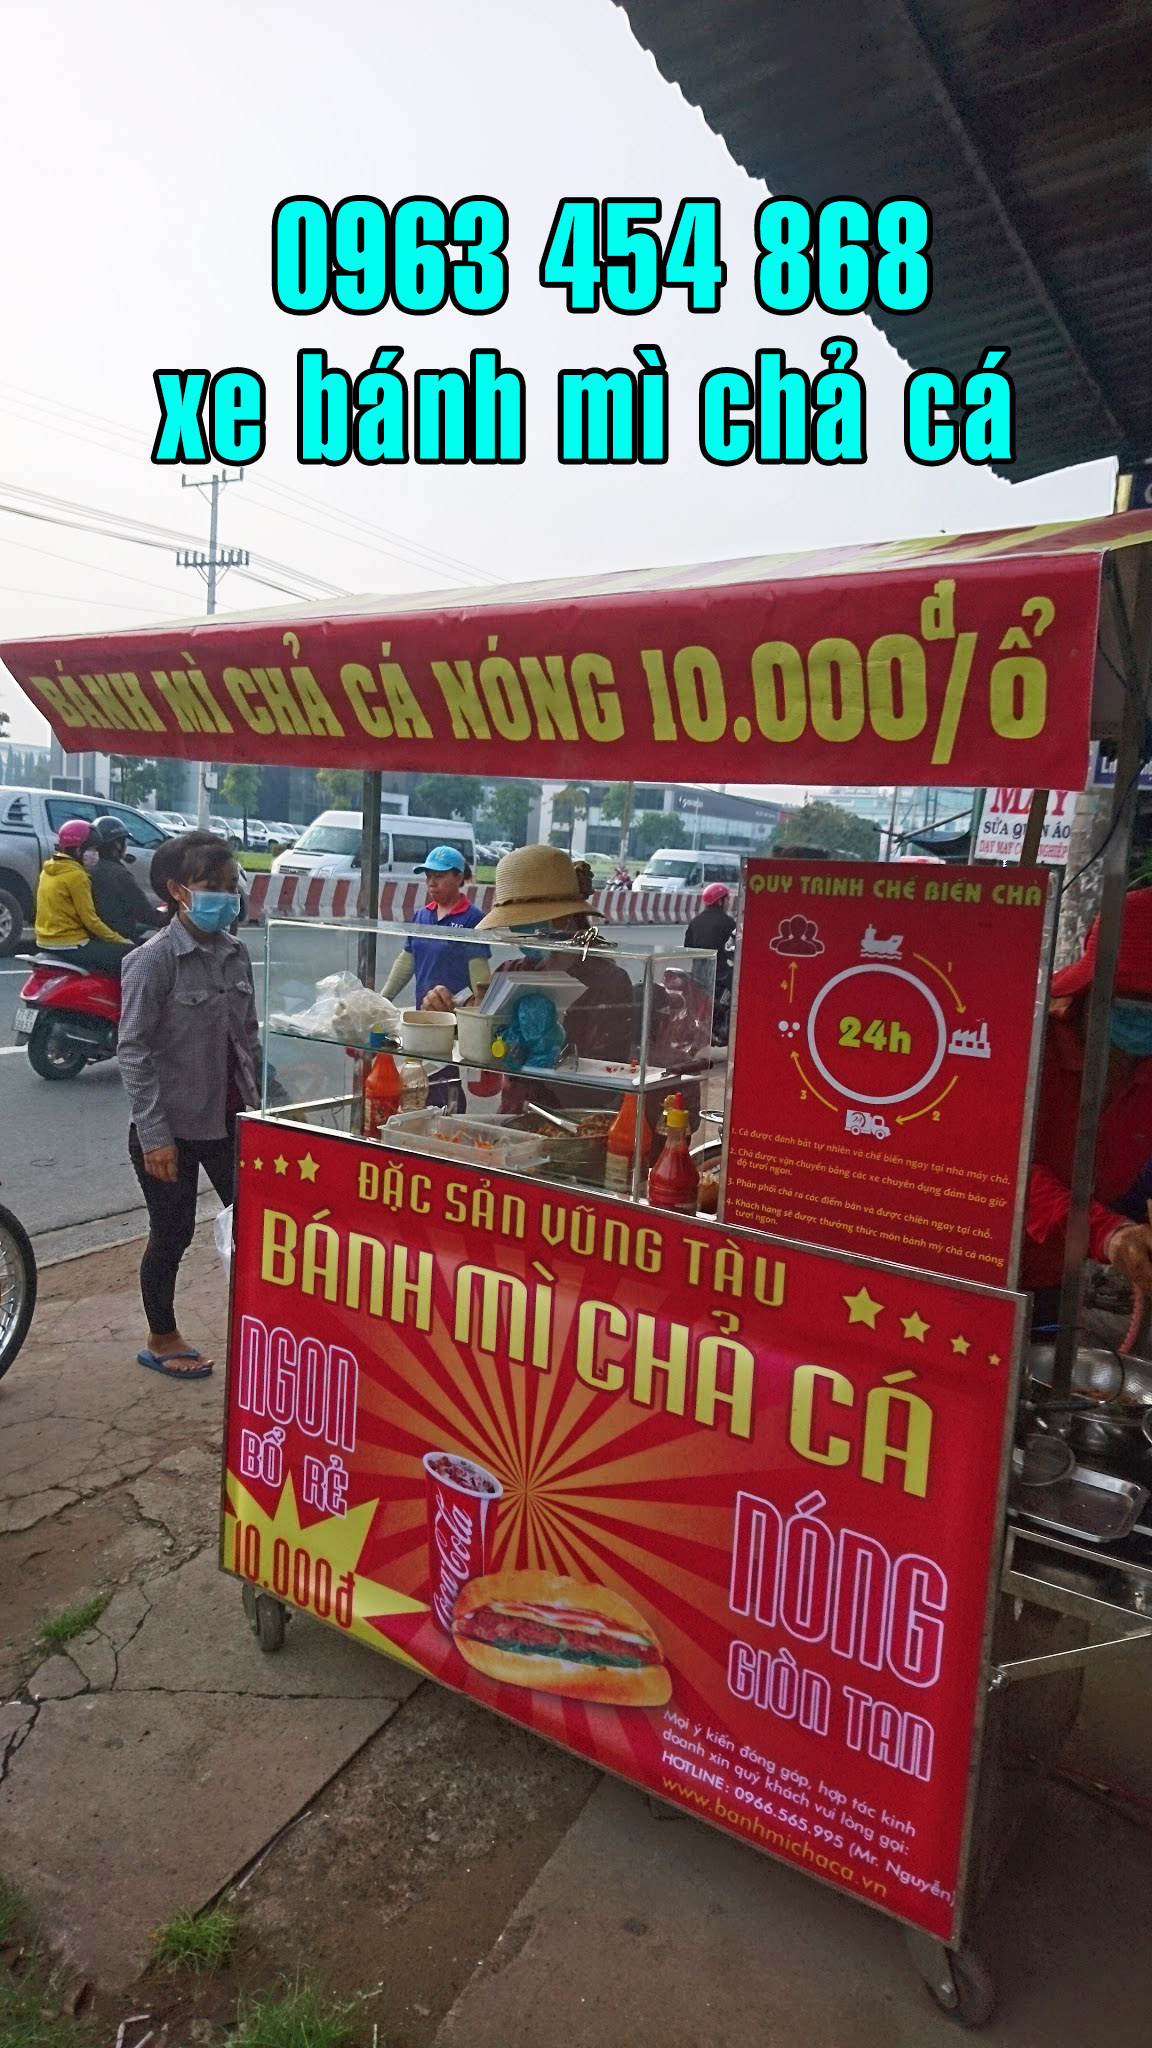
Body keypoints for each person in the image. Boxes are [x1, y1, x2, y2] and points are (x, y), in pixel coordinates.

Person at [118, 834, 260, 1379]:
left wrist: (267, 1106)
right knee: (172, 1232)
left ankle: (263, 1327)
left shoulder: (236, 953)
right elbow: (133, 1050)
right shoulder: (152, 961)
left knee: (254, 1225)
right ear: (179, 891)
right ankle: (162, 1336)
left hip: (230, 1121)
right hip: (170, 1127)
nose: (226, 896)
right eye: (211, 886)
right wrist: (155, 1136)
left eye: (230, 885)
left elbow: (247, 1038)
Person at [1023, 888, 1152, 1313]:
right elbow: (1006, 1174)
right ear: (1090, 990)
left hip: (1066, 1275)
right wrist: (1109, 1233)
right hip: (987, 1265)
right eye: (1138, 1000)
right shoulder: (1034, 1051)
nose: (1146, 1013)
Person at [382, 845, 488, 1012]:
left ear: (458, 878)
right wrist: (382, 1000)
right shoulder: (421, 916)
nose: (432, 883)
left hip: (454, 1015)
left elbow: (479, 972)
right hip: (423, 1013)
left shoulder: (472, 918)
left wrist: (480, 1014)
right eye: (428, 876)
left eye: (439, 876)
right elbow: (407, 960)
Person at [34, 819, 134, 976]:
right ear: (78, 850)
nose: (95, 854)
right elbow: (90, 920)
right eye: (92, 849)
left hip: (43, 942)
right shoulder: (77, 876)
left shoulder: (48, 869)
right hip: (71, 945)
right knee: (132, 954)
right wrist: (120, 940)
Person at [88, 816, 166, 943]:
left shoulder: (89, 869)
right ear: (117, 845)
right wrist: (172, 915)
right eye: (124, 841)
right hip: (119, 937)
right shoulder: (120, 875)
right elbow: (146, 914)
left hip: (95, 935)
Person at [685, 882, 736, 1043]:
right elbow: (734, 949)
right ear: (720, 901)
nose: (728, 903)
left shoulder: (695, 921)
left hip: (698, 974)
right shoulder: (728, 922)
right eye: (727, 899)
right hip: (721, 973)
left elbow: (688, 947)